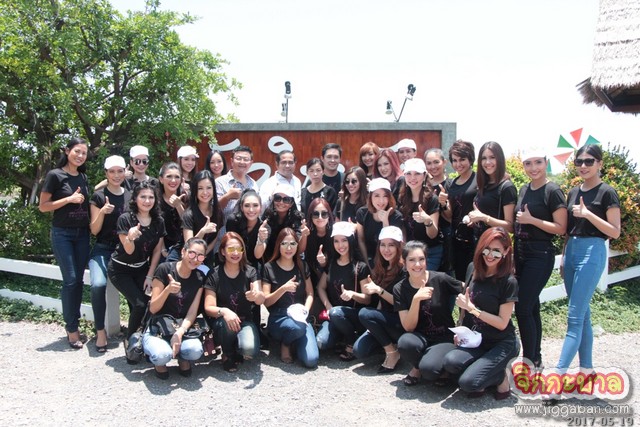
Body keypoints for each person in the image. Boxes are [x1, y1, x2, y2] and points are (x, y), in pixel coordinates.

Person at [555, 144, 620, 380]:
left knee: (574, 318)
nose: (583, 166)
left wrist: (588, 214)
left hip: (592, 251)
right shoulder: (574, 192)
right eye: (579, 161)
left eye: (589, 161)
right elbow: (568, 230)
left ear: (599, 163)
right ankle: (587, 371)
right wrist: (564, 257)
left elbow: (615, 232)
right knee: (583, 316)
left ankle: (558, 377)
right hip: (572, 250)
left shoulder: (607, 192)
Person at [441, 227, 519, 400]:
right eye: (486, 249)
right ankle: (487, 370)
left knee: (468, 383)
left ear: (506, 252)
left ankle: (501, 376)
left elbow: (502, 323)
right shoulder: (473, 268)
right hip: (476, 339)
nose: (490, 255)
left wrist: (473, 309)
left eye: (496, 251)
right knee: (450, 363)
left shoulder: (509, 282)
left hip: (501, 342)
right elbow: (465, 303)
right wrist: (461, 330)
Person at [514, 150, 567, 369]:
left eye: (537, 162)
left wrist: (531, 220)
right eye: (528, 163)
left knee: (522, 307)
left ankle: (529, 361)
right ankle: (535, 358)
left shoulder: (552, 190)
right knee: (531, 306)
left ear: (546, 163)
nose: (533, 167)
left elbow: (561, 228)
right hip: (520, 252)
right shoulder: (524, 189)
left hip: (540, 253)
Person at [39, 137, 91, 349]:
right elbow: (43, 206)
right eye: (77, 151)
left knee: (78, 281)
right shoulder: (55, 175)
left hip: (82, 235)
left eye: (84, 153)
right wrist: (68, 200)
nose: (80, 156)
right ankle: (72, 330)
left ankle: (74, 323)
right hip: (62, 234)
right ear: (67, 151)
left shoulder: (83, 177)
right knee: (70, 281)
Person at [395, 240, 464, 386]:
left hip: (444, 336)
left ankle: (435, 366)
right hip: (419, 337)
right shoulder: (399, 288)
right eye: (412, 260)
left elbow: (467, 290)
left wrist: (463, 322)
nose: (417, 264)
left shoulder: (440, 278)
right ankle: (417, 367)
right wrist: (416, 300)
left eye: (421, 259)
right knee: (405, 343)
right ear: (404, 262)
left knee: (430, 370)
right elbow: (408, 327)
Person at [108, 180, 166, 349]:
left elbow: (157, 250)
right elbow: (129, 250)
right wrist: (130, 237)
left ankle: (145, 335)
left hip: (141, 268)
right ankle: (131, 341)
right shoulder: (126, 219)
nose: (147, 201)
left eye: (151, 197)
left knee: (150, 302)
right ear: (135, 198)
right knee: (139, 304)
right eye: (143, 197)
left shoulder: (158, 221)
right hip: (120, 269)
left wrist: (150, 276)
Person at [145, 237, 207, 379]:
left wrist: (180, 332)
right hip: (158, 326)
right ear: (183, 252)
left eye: (200, 256)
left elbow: (192, 312)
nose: (195, 259)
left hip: (181, 326)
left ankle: (182, 358)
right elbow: (153, 308)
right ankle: (157, 360)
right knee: (162, 355)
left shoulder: (199, 277)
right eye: (192, 253)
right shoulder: (165, 269)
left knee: (195, 350)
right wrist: (167, 290)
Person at [204, 232, 264, 372]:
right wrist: (225, 311)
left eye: (239, 249)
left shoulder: (251, 271)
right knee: (227, 323)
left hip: (245, 321)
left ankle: (237, 347)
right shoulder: (214, 274)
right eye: (231, 249)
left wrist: (256, 296)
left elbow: (261, 299)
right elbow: (208, 307)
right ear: (223, 251)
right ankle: (227, 353)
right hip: (223, 323)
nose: (235, 253)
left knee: (249, 350)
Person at [88, 155, 131, 352]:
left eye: (120, 171)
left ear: (125, 172)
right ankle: (100, 332)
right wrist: (102, 212)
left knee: (136, 286)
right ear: (106, 173)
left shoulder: (130, 195)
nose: (116, 175)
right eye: (112, 172)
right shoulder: (98, 196)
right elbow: (94, 230)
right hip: (103, 248)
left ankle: (135, 331)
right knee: (98, 284)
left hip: (125, 249)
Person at [262, 228, 319, 368]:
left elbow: (310, 293)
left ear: (297, 246)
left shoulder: (302, 265)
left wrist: (305, 310)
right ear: (278, 245)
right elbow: (266, 301)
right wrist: (283, 289)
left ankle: (295, 340)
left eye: (293, 244)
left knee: (311, 360)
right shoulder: (269, 267)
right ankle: (286, 344)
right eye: (284, 244)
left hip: (301, 316)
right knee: (296, 328)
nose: (289, 248)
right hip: (279, 317)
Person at [316, 221, 371, 361]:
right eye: (336, 241)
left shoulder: (360, 266)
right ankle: (341, 338)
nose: (340, 245)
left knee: (336, 313)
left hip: (354, 316)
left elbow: (367, 299)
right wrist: (328, 306)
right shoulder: (331, 263)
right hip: (334, 314)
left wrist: (353, 294)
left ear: (351, 240)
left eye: (344, 240)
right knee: (321, 343)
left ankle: (352, 340)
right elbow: (320, 287)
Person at [353, 226, 405, 372]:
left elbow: (402, 304)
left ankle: (392, 352)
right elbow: (381, 305)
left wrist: (378, 290)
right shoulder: (382, 267)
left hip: (401, 322)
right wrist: (373, 324)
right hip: (385, 320)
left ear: (399, 246)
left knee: (364, 313)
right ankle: (390, 345)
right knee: (359, 351)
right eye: (383, 245)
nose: (386, 249)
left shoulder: (405, 270)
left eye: (391, 245)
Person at [439, 140, 477, 281]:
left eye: (462, 159)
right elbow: (450, 216)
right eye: (454, 160)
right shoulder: (452, 184)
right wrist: (443, 204)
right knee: (461, 281)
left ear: (470, 159)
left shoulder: (479, 180)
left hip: (476, 239)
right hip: (457, 241)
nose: (458, 164)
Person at [396, 158, 442, 270]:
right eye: (408, 173)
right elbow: (403, 228)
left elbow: (433, 234)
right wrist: (403, 251)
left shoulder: (432, 199)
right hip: (409, 252)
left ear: (424, 175)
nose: (412, 178)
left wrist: (427, 220)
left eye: (417, 173)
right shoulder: (401, 198)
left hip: (430, 253)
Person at [467, 141, 516, 238]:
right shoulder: (483, 184)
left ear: (500, 159)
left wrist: (484, 218)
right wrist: (476, 219)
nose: (487, 162)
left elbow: (510, 227)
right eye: (484, 158)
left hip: (495, 243)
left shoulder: (507, 187)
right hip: (479, 241)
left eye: (492, 157)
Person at [355, 178, 404, 268]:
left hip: (389, 261)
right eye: (377, 196)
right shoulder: (362, 213)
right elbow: (361, 240)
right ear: (370, 197)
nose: (381, 201)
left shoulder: (396, 216)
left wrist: (385, 222)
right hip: (368, 258)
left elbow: (392, 244)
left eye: (385, 196)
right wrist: (367, 265)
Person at [182, 170, 221, 267]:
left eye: (209, 188)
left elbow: (215, 238)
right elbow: (189, 246)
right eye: (200, 188)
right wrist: (203, 231)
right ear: (195, 190)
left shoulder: (218, 213)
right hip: (185, 259)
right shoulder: (189, 214)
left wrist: (202, 256)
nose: (205, 192)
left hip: (205, 258)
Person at [261, 183, 309, 261]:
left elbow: (299, 250)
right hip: (269, 260)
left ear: (292, 203)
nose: (281, 202)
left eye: (286, 200)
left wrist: (304, 236)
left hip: (290, 259)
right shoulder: (267, 216)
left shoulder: (297, 218)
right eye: (277, 198)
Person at [425, 148, 453, 274]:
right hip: (427, 240)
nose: (433, 166)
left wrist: (443, 203)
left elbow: (450, 217)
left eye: (436, 162)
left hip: (446, 238)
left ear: (444, 162)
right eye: (429, 163)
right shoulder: (423, 185)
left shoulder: (451, 184)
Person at [215, 145, 258, 223]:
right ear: (232, 161)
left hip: (247, 229)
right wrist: (227, 197)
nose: (242, 162)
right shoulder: (219, 182)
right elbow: (212, 209)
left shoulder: (253, 184)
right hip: (226, 229)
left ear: (251, 163)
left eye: (246, 159)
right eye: (238, 158)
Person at [157, 162, 187, 262]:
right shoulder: (156, 200)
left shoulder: (187, 197)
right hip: (161, 249)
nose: (173, 180)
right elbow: (156, 227)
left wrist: (178, 206)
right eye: (169, 176)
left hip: (184, 248)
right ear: (161, 179)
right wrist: (163, 250)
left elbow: (190, 224)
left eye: (177, 177)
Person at [303, 198, 334, 290]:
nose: (320, 218)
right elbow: (301, 252)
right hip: (311, 274)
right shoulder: (307, 231)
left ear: (329, 215)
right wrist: (303, 236)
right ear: (311, 216)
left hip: (332, 275)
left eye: (324, 214)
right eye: (316, 214)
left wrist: (323, 263)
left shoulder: (335, 232)